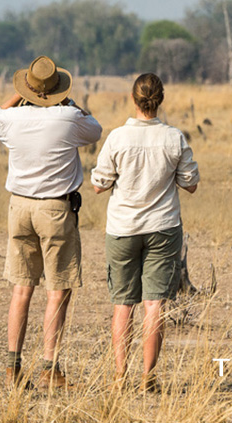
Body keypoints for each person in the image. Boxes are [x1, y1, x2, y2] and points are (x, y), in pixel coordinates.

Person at [0, 55, 102, 390]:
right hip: (55, 209)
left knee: (22, 290)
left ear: (28, 90)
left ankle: (12, 368)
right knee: (57, 290)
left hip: (18, 208)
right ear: (58, 91)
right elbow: (95, 128)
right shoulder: (68, 117)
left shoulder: (13, 119)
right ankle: (50, 368)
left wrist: (16, 98)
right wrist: (71, 103)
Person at [91, 73, 199, 392]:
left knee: (123, 304)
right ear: (160, 99)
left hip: (123, 228)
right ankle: (148, 378)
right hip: (163, 227)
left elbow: (99, 184)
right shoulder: (174, 137)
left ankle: (119, 377)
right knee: (155, 304)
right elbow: (190, 184)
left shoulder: (117, 137)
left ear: (133, 99)